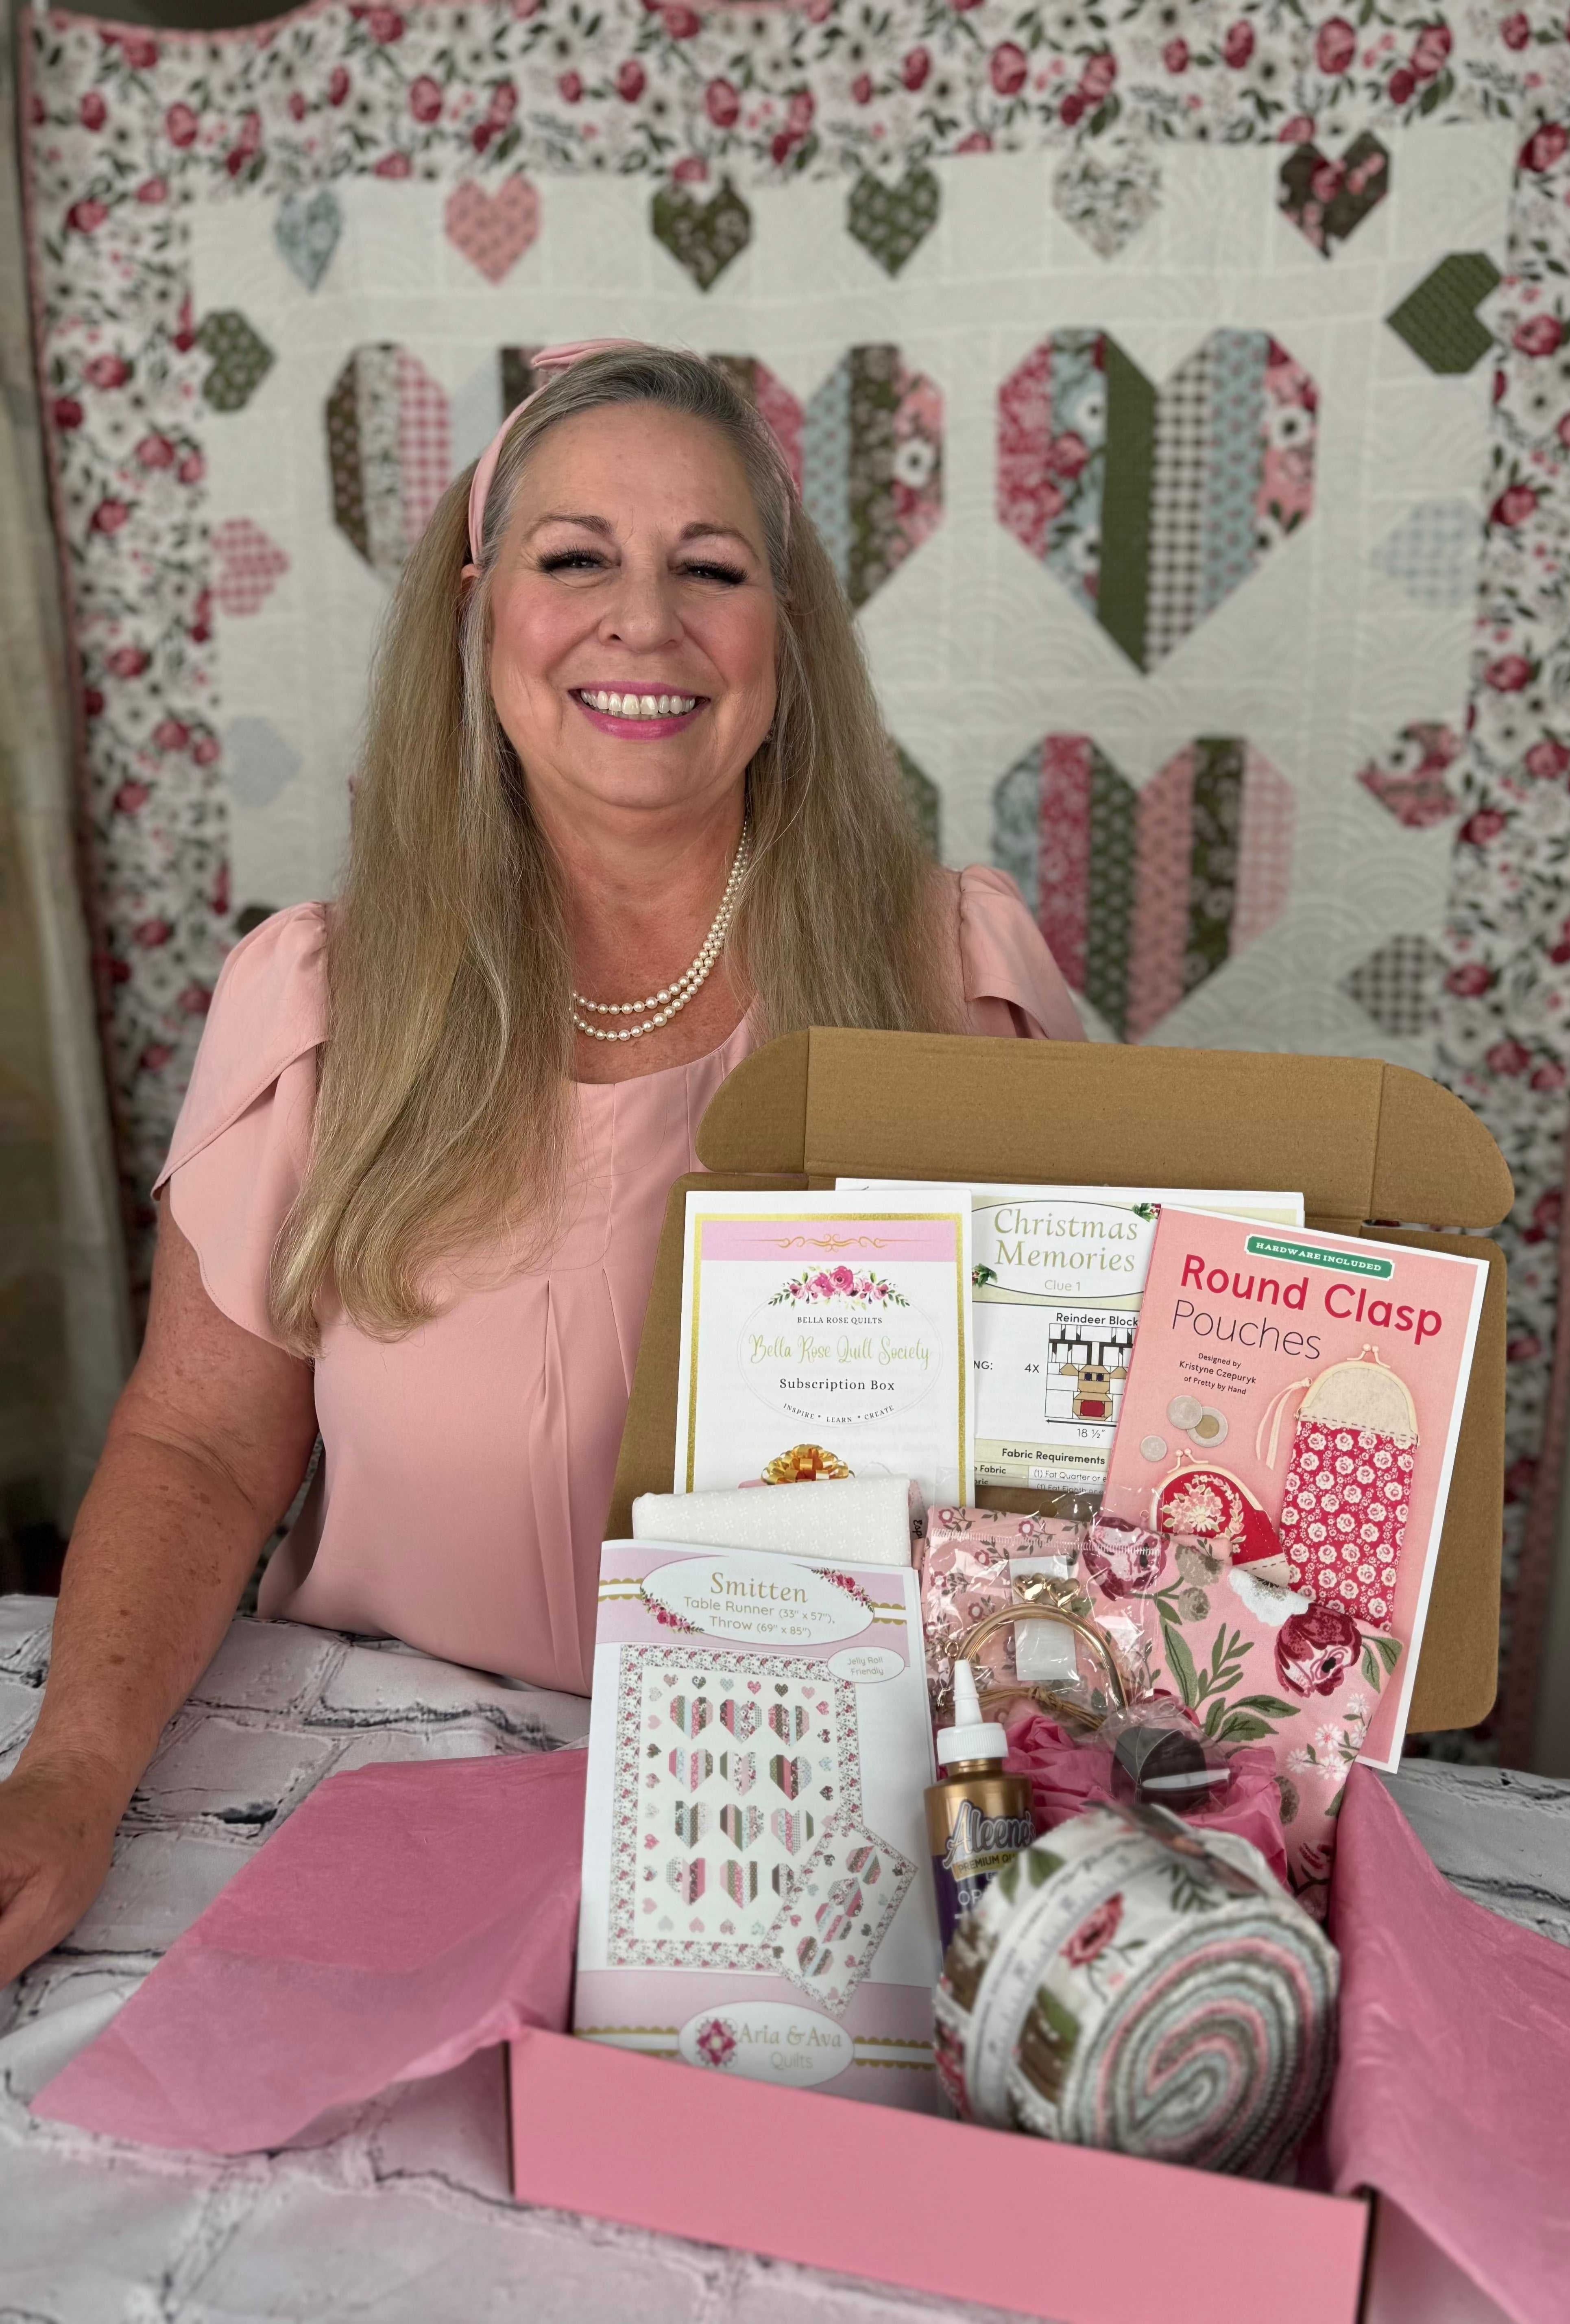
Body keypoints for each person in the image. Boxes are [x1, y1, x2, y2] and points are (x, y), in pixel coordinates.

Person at [0, 342, 1081, 1984]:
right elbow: (204, 1450)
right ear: (477, 606)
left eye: (709, 568)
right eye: (577, 558)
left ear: (785, 636)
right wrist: (67, 1779)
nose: (642, 619)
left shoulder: (953, 984)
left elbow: (1091, 1463)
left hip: (813, 1854)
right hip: (372, 1804)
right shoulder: (318, 1001)